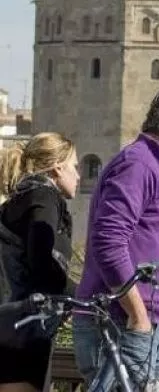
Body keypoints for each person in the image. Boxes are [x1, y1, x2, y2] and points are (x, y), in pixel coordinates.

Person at [73, 87, 159, 391]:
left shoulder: (148, 164)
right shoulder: (139, 165)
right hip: (120, 322)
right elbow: (108, 241)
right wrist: (138, 314)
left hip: (133, 322)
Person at [0, 133, 79, 392]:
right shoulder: (42, 197)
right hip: (19, 329)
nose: (78, 176)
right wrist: (78, 293)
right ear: (58, 167)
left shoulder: (26, 197)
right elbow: (41, 260)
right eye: (75, 167)